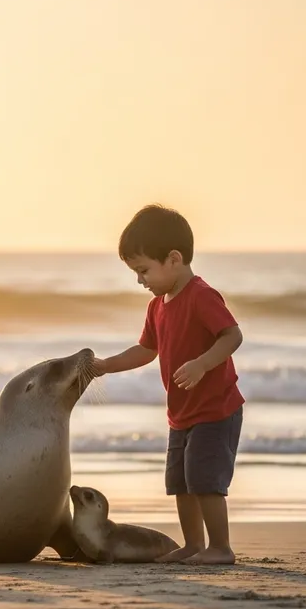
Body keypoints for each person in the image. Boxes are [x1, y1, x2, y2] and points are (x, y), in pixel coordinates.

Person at [92, 204, 244, 565]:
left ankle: (220, 547)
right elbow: (146, 349)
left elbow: (232, 335)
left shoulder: (201, 296)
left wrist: (203, 364)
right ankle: (193, 545)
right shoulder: (157, 306)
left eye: (143, 270)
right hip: (182, 413)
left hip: (216, 408)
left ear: (173, 259)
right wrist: (106, 366)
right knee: (181, 482)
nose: (140, 280)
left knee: (205, 480)